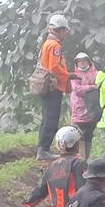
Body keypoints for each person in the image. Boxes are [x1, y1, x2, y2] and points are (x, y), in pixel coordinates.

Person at [16, 126, 86, 207]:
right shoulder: (79, 163)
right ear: (76, 144)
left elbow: (39, 192)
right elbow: (85, 188)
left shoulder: (52, 167)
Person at [37, 14, 71, 161]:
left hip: (47, 87)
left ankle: (42, 148)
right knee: (51, 119)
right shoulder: (55, 46)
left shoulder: (47, 43)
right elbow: (54, 68)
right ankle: (43, 150)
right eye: (65, 31)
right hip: (53, 87)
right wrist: (68, 76)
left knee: (46, 118)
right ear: (61, 30)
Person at [68, 53, 100, 158]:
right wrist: (92, 87)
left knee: (89, 137)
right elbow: (77, 90)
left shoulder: (96, 74)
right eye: (79, 61)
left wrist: (89, 87)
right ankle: (80, 160)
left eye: (84, 61)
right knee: (78, 138)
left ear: (88, 62)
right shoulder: (74, 75)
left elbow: (100, 86)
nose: (82, 63)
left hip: (91, 111)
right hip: (78, 111)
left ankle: (86, 159)